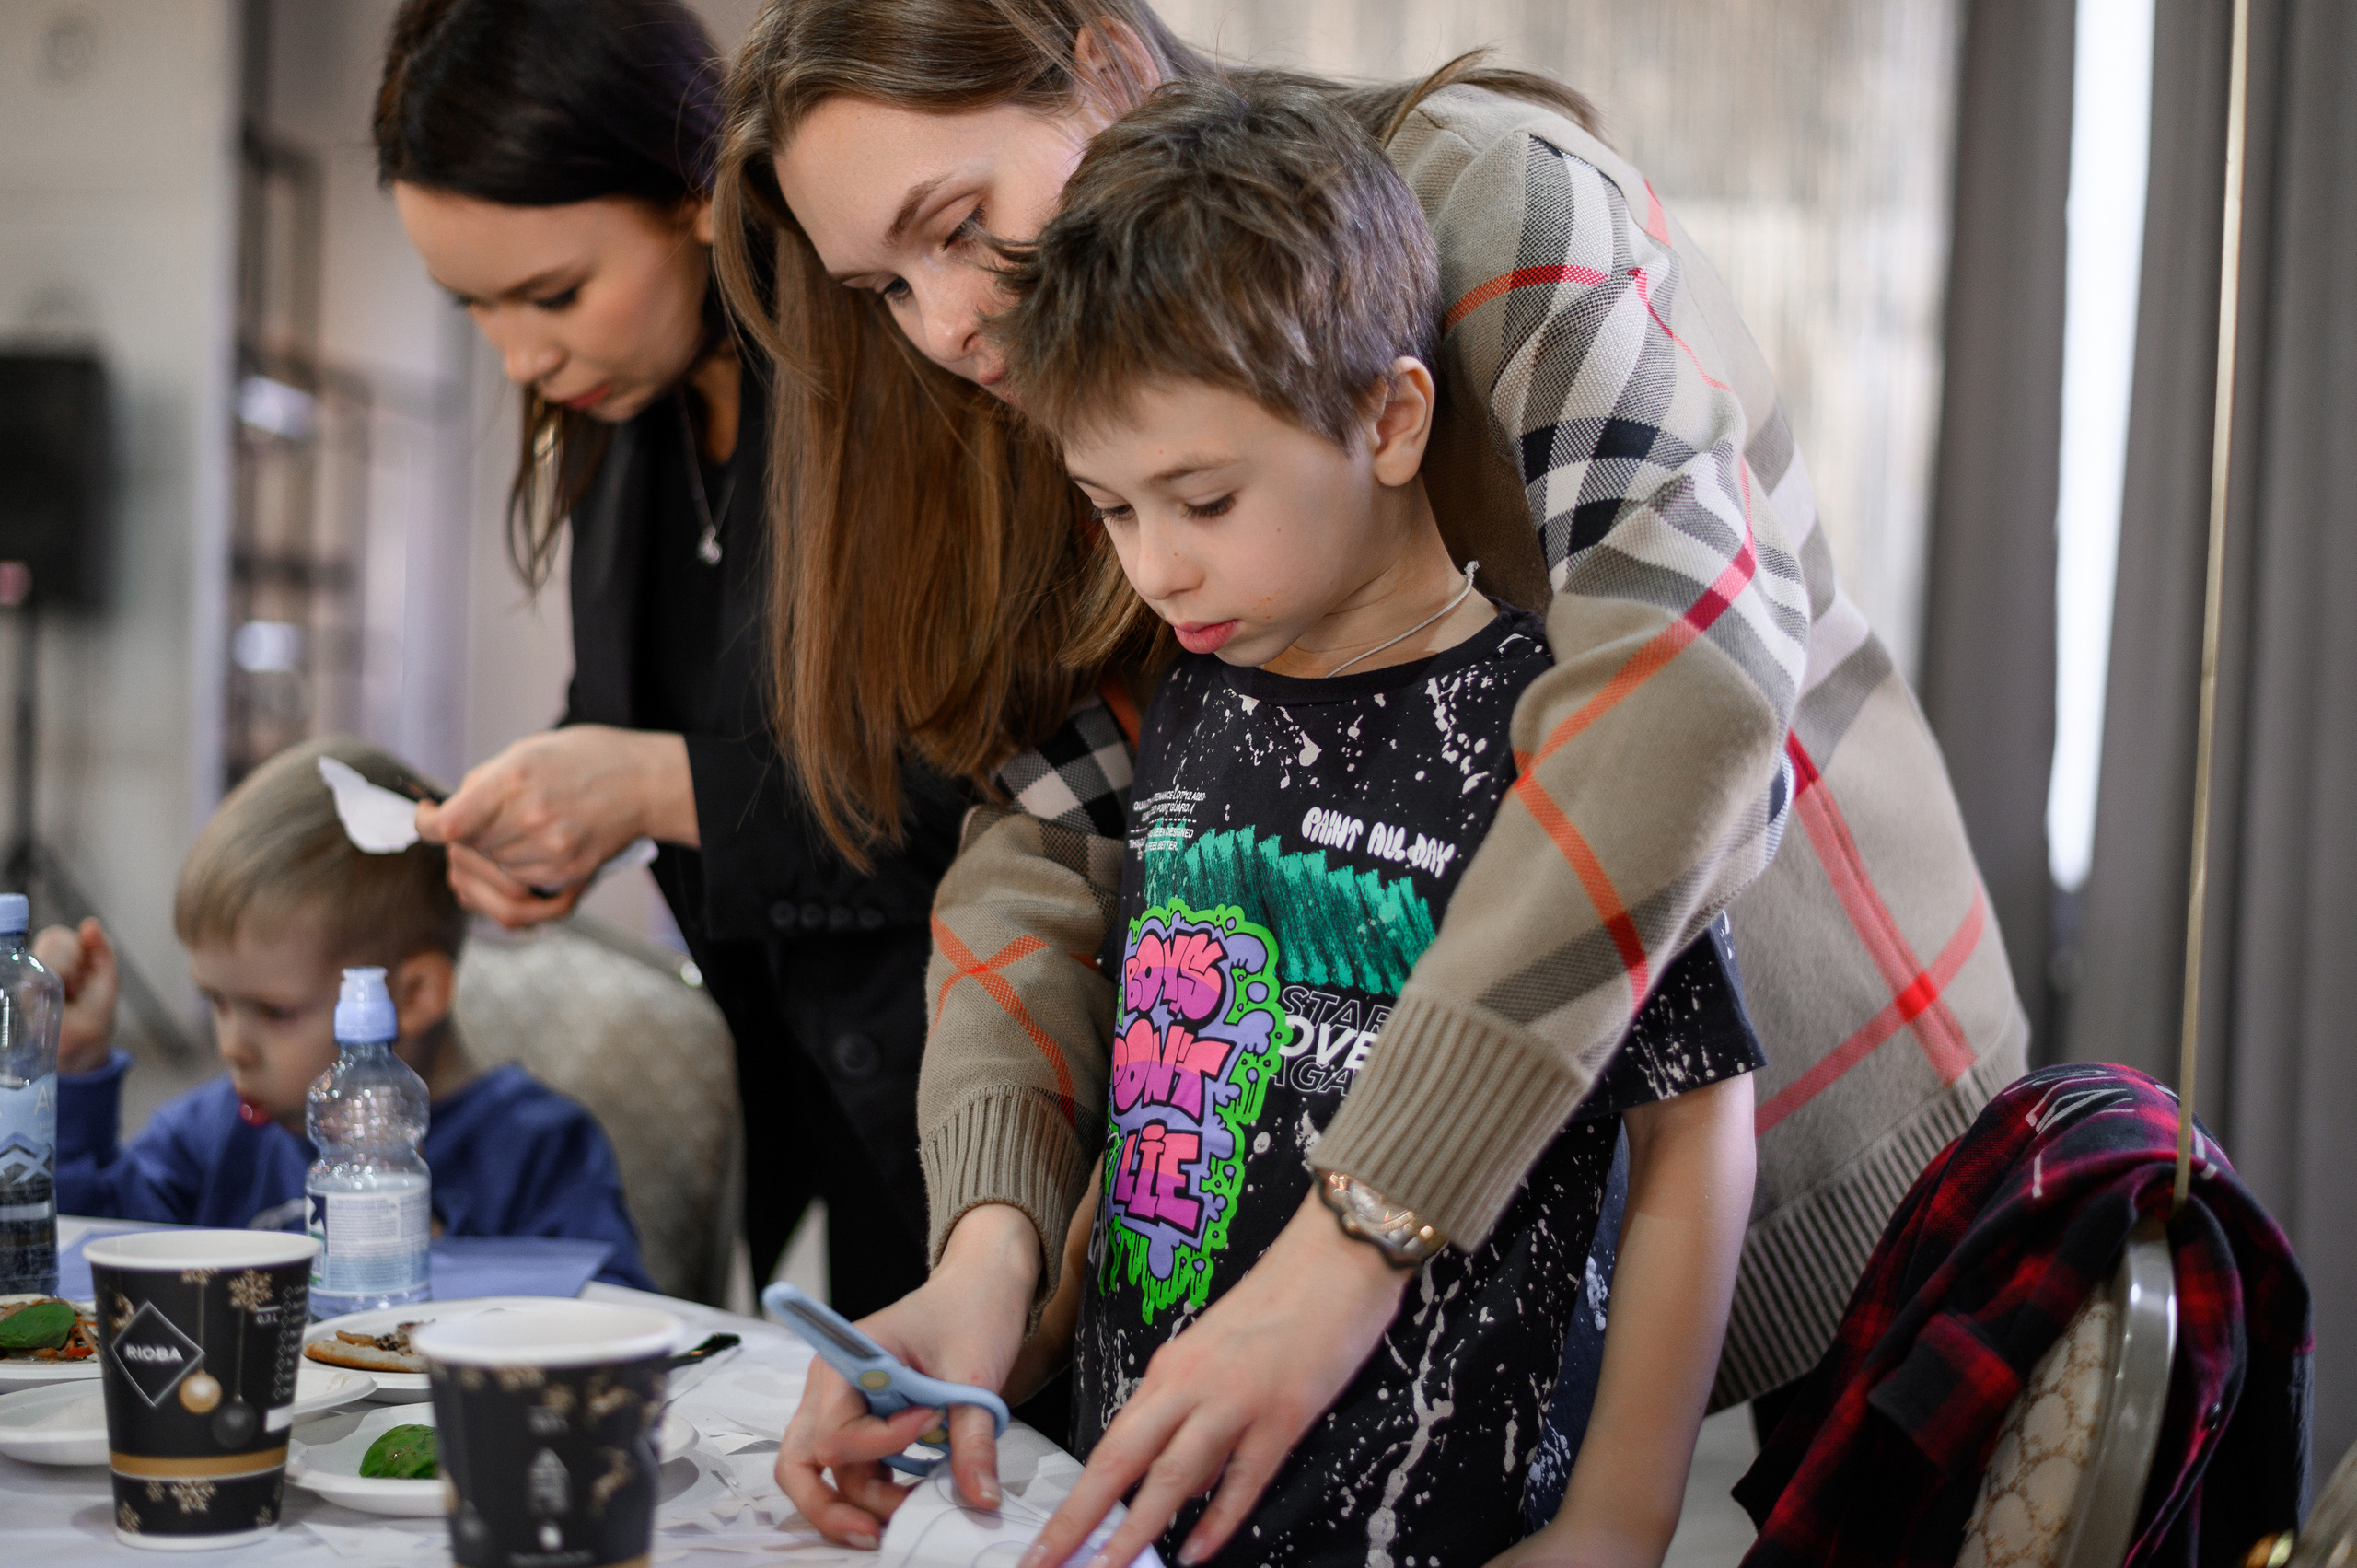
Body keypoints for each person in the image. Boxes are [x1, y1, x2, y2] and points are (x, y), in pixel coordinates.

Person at [714, 1, 2028, 1554]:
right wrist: (994, 1237)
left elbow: (1689, 671)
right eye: (885, 288)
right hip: (1457, 1287)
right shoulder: (1099, 408)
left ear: (1108, 66)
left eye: (957, 226)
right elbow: (1046, 845)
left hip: (1819, 1138)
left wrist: (1364, 1231)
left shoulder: (1485, 192)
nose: (941, 326)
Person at [992, 77, 1759, 1565]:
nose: (1155, 564)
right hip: (1154, 1492)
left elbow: (1698, 1124)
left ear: (1392, 417)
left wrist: (1620, 1513)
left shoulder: (1548, 725)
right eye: (1113, 508)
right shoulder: (1195, 698)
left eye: (1202, 498)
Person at [374, 0, 973, 1319]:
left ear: (698, 194)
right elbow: (634, 713)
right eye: (472, 304)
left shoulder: (897, 381)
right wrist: (553, 813)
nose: (523, 354)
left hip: (962, 1085)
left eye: (554, 292)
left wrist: (650, 789)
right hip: (768, 1061)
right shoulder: (623, 415)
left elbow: (985, 805)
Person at [43, 736, 656, 1291]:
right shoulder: (213, 1136)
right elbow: (82, 1264)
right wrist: (71, 1070)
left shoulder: (540, 1150)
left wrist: (431, 1252)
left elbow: (617, 1321)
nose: (233, 1045)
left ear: (413, 995)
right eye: (217, 1002)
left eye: (275, 1011)